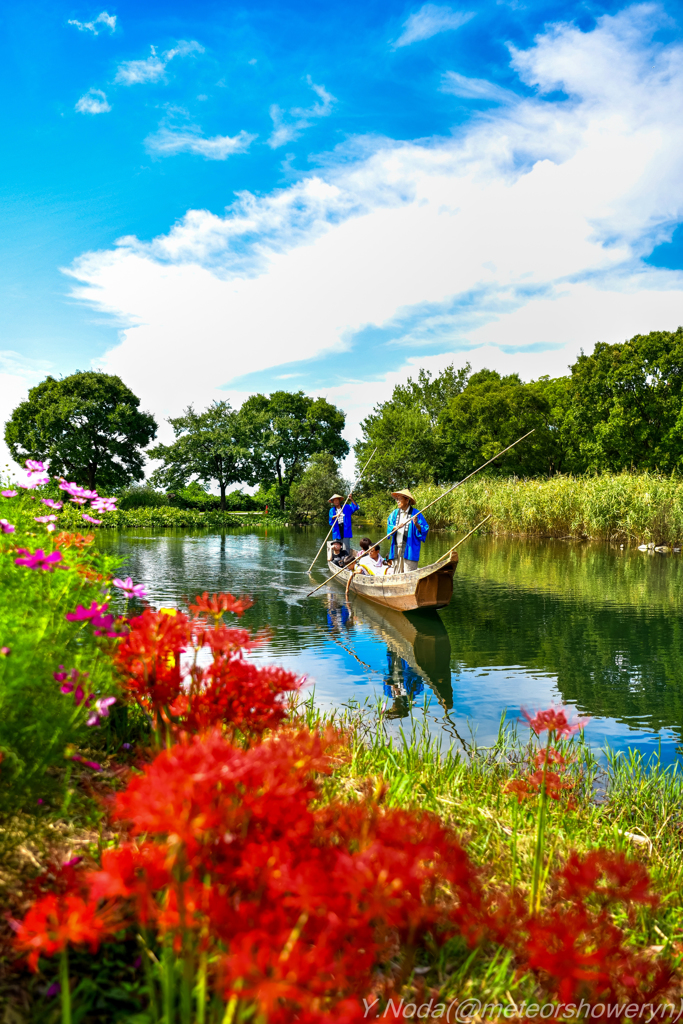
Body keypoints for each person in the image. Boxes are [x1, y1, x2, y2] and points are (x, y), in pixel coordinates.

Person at [387, 489, 429, 573]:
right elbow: (389, 526)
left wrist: (417, 524)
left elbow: (425, 529)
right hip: (396, 549)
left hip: (410, 550)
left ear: (407, 500)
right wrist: (396, 527)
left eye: (400, 499)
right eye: (397, 499)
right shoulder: (394, 514)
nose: (397, 501)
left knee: (409, 573)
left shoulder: (416, 514)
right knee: (396, 574)